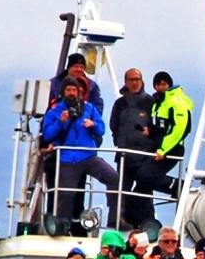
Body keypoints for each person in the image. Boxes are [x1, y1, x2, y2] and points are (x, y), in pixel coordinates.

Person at [39, 78, 119, 228]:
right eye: (68, 90)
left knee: (113, 178)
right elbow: (48, 135)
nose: (71, 93)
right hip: (67, 158)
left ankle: (114, 219)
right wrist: (61, 121)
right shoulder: (54, 112)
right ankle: (63, 226)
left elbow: (101, 129)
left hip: (88, 155)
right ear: (63, 92)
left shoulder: (89, 108)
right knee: (67, 194)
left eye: (74, 90)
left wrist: (93, 125)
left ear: (78, 92)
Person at [110, 68, 161, 230]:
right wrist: (119, 141)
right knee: (121, 191)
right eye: (131, 79)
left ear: (142, 81)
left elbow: (156, 127)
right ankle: (119, 221)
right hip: (125, 155)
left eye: (137, 79)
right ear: (125, 82)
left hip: (145, 156)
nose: (134, 82)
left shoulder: (150, 102)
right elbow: (114, 126)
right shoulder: (120, 104)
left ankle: (148, 223)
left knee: (145, 192)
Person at [148, 71, 195, 195]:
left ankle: (181, 186)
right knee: (141, 178)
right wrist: (150, 132)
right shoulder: (158, 103)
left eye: (163, 84)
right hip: (158, 148)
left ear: (169, 85)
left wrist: (163, 150)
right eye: (157, 84)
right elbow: (160, 127)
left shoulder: (177, 102)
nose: (160, 87)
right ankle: (138, 213)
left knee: (146, 175)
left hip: (172, 149)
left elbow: (181, 129)